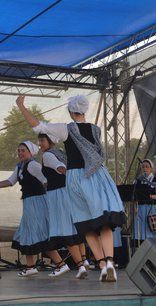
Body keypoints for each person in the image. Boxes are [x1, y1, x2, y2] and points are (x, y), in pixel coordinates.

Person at [16, 95, 125, 282]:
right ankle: (107, 262)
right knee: (104, 221)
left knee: (86, 223)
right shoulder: (96, 130)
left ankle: (100, 264)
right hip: (98, 175)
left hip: (78, 177)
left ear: (70, 110)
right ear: (84, 110)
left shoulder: (66, 129)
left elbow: (38, 126)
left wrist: (21, 106)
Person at [0, 141, 50, 277]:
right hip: (29, 202)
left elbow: (47, 180)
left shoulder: (33, 165)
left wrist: (48, 199)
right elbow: (10, 181)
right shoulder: (20, 166)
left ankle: (61, 264)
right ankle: (31, 266)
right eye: (18, 150)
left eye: (23, 150)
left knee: (38, 232)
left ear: (30, 152)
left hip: (37, 202)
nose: (20, 153)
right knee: (26, 232)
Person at [37, 133, 87, 279]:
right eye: (39, 141)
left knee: (65, 229)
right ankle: (83, 262)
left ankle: (78, 266)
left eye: (42, 140)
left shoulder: (48, 155)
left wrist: (71, 177)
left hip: (57, 195)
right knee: (72, 228)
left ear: (50, 140)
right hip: (66, 193)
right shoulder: (61, 153)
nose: (40, 143)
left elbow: (60, 168)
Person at [133, 159, 156, 243]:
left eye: (147, 166)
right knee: (141, 233)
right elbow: (134, 196)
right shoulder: (137, 181)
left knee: (154, 229)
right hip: (141, 209)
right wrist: (135, 207)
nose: (145, 168)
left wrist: (149, 196)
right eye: (143, 167)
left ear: (151, 168)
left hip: (153, 208)